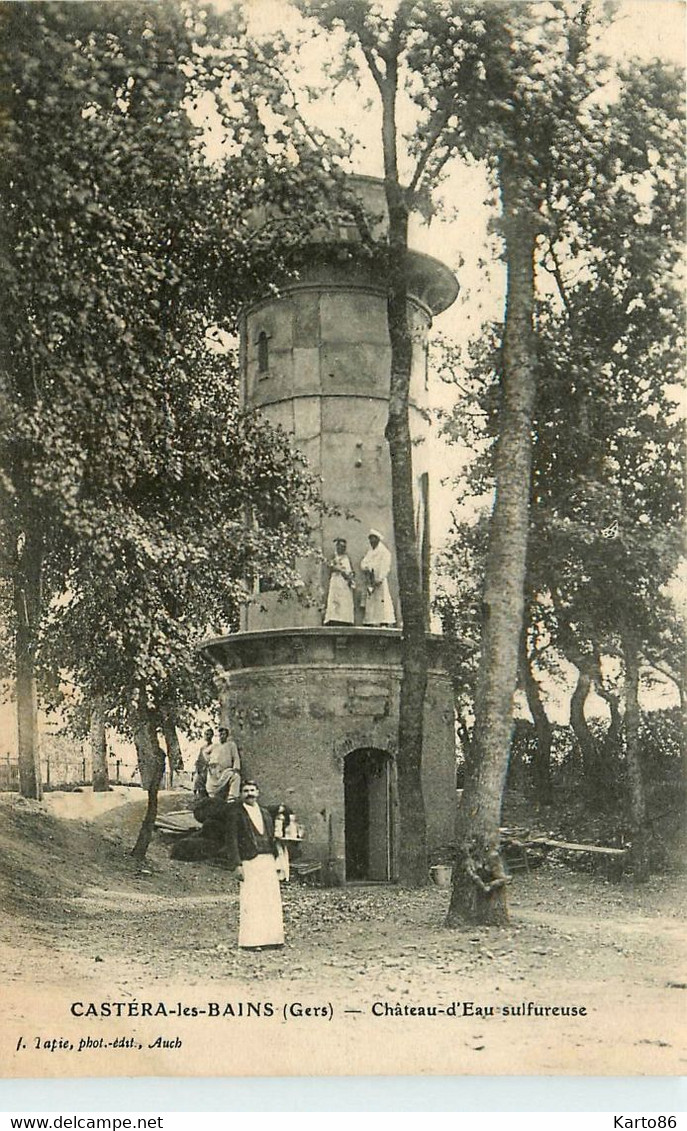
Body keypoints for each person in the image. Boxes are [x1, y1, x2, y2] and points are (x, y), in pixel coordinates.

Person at [226, 781, 285, 950]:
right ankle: (251, 941)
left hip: (267, 860)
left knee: (270, 899)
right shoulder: (236, 814)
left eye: (252, 790)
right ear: (241, 794)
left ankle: (273, 939)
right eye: (245, 791)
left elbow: (272, 835)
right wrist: (237, 864)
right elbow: (232, 840)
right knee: (252, 900)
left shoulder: (265, 813)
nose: (249, 794)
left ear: (258, 792)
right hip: (249, 861)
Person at [360, 528, 396, 626]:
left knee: (382, 600)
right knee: (371, 601)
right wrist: (367, 568)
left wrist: (379, 578)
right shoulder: (370, 551)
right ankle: (371, 621)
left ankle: (384, 620)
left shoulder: (384, 552)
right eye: (370, 539)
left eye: (373, 539)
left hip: (379, 580)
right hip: (371, 579)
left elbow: (385, 567)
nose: (371, 542)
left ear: (378, 539)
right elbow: (363, 563)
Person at [323, 537, 356, 625]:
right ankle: (333, 618)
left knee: (345, 600)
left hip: (344, 583)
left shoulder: (346, 558)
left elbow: (349, 570)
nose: (342, 548)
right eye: (340, 546)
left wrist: (349, 576)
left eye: (344, 547)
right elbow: (331, 567)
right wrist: (337, 568)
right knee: (335, 599)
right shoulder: (334, 558)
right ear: (337, 547)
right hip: (336, 581)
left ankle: (345, 619)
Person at [205, 726, 241, 801]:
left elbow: (236, 757)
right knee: (210, 784)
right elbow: (205, 752)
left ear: (227, 736)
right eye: (220, 734)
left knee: (236, 777)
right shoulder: (215, 745)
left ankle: (232, 797)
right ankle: (212, 797)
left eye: (223, 734)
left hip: (226, 771)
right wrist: (209, 761)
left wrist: (236, 768)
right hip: (214, 772)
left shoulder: (231, 745)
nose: (221, 736)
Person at [193, 728, 214, 799]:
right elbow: (199, 758)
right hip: (201, 769)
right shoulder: (202, 748)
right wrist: (197, 768)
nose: (207, 736)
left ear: (212, 736)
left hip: (209, 769)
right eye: (206, 734)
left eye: (209, 735)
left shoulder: (214, 747)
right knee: (199, 783)